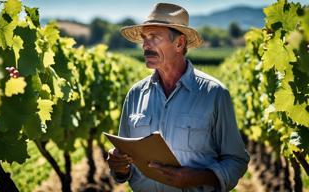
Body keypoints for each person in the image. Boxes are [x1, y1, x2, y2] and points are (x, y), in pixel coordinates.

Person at [106, 3, 249, 192]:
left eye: (154, 37)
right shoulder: (135, 94)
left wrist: (196, 178)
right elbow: (126, 162)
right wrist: (120, 167)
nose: (145, 45)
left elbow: (237, 161)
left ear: (179, 43)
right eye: (144, 38)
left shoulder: (214, 94)